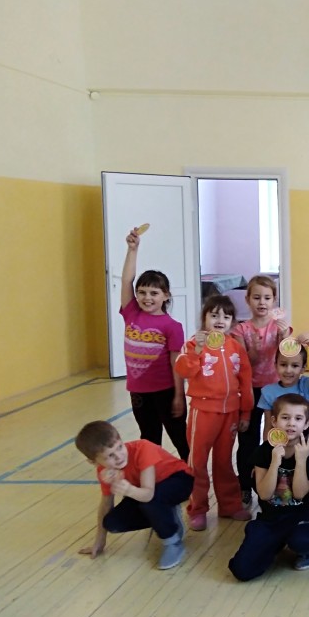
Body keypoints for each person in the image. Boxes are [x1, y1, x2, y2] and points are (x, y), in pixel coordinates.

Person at [175, 295, 254, 530]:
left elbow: (246, 382)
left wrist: (245, 413)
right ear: (204, 318)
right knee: (197, 462)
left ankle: (229, 505)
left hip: (230, 413)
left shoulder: (236, 347)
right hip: (203, 412)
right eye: (214, 315)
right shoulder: (193, 344)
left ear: (232, 322)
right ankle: (197, 509)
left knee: (224, 462)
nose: (220, 320)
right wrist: (197, 350)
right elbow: (183, 370)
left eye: (226, 316)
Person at [76, 420, 193, 570]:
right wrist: (100, 538)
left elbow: (148, 494)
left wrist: (128, 490)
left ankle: (172, 541)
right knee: (112, 523)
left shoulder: (143, 448)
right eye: (110, 455)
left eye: (120, 447)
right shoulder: (104, 471)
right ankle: (166, 514)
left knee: (150, 501)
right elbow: (106, 503)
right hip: (146, 492)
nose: (119, 456)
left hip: (179, 480)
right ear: (94, 462)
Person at [228, 394, 309, 579]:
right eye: (285, 417)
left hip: (300, 515)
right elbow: (264, 494)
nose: (291, 423)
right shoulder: (263, 452)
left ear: (306, 424)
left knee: (302, 542)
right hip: (271, 519)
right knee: (242, 570)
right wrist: (274, 462)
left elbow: (299, 494)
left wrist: (301, 461)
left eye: (298, 418)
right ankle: (271, 540)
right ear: (274, 421)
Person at [119, 226, 188, 460]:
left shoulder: (172, 326)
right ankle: (153, 476)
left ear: (166, 296)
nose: (147, 298)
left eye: (154, 293)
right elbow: (126, 280)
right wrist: (132, 249)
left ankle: (193, 476)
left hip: (165, 392)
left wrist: (179, 396)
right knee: (148, 438)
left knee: (180, 437)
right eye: (142, 292)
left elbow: (177, 364)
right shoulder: (131, 313)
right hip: (139, 392)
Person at [231, 275, 291, 507]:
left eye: (267, 298)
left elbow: (288, 357)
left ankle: (276, 483)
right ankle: (245, 486)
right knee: (247, 440)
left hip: (275, 391)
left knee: (275, 437)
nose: (262, 302)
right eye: (256, 297)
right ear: (248, 300)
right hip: (249, 391)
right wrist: (253, 350)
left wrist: (284, 337)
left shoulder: (280, 328)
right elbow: (243, 362)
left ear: (274, 301)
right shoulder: (241, 330)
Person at [257, 332, 309, 429]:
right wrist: (267, 440)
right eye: (283, 365)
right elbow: (268, 427)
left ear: (303, 368)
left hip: (307, 437)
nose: (288, 370)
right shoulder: (268, 392)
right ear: (275, 365)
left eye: (295, 365)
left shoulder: (307, 386)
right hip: (281, 438)